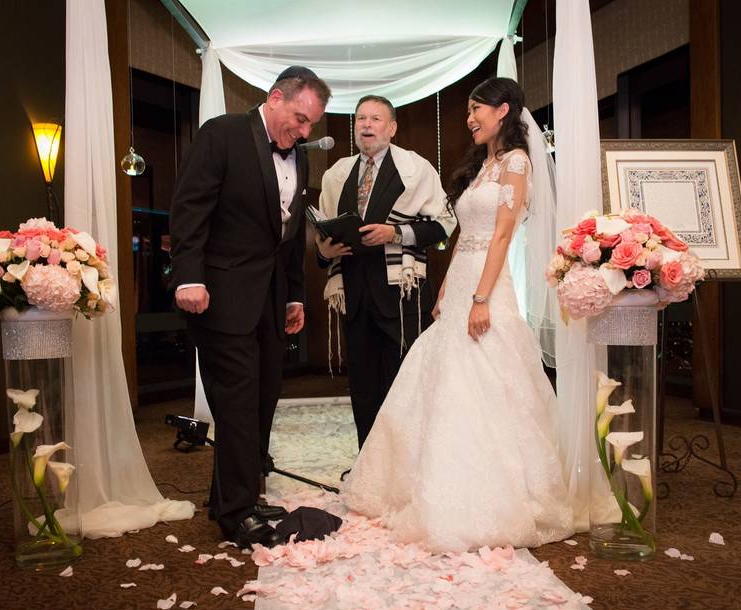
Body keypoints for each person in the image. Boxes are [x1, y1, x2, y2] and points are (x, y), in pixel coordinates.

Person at [341, 78, 574, 552]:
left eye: (477, 110)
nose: (470, 118)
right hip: (464, 280)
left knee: (488, 378)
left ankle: (494, 491)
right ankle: (429, 479)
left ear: (503, 110)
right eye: (468, 111)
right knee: (442, 381)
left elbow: (502, 238)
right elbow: (465, 235)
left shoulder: (516, 162)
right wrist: (449, 285)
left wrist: (483, 298)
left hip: (488, 286)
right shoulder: (484, 165)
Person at [169, 67, 330, 548]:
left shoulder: (296, 157)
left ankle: (237, 494)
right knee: (237, 402)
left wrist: (295, 294)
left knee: (262, 398)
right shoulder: (222, 134)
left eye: (310, 127)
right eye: (299, 119)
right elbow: (189, 209)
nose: (302, 133)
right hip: (220, 295)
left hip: (271, 299)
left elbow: (288, 234)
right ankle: (236, 514)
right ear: (274, 97)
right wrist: (189, 277)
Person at [317, 95, 455, 451]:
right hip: (354, 293)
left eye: (375, 118)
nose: (366, 125)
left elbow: (443, 225)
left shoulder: (416, 169)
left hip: (400, 295)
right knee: (362, 387)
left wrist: (394, 233)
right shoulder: (337, 174)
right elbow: (324, 228)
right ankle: (367, 464)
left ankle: (403, 465)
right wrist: (323, 251)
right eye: (361, 118)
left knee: (402, 385)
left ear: (391, 128)